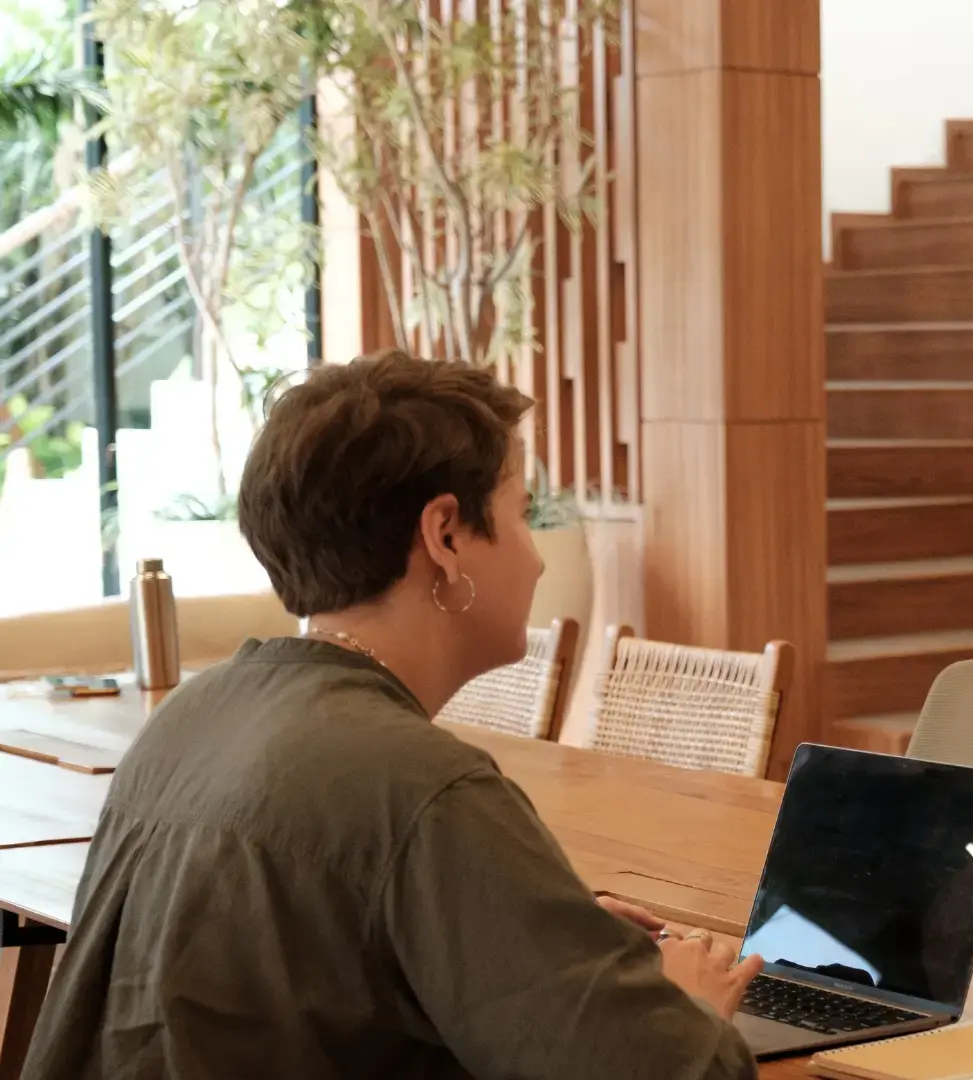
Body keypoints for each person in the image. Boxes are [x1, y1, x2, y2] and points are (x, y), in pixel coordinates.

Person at [25, 352, 762, 1079]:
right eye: (521, 513)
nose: (538, 560)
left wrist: (534, 929)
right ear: (445, 535)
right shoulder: (427, 789)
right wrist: (688, 1004)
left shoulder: (193, 715)